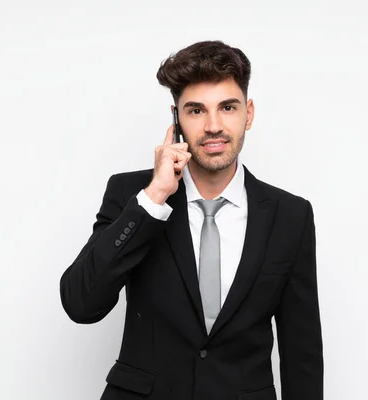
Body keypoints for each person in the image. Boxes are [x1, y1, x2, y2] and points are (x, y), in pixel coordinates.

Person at [60, 40, 323, 400]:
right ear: (176, 119)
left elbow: (301, 350)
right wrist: (154, 198)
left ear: (248, 113)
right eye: (196, 111)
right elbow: (81, 303)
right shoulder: (133, 195)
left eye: (227, 108)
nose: (213, 126)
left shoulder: (290, 215)